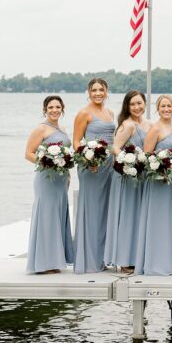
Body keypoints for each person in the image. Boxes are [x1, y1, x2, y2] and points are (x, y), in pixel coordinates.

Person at [24, 95, 75, 274]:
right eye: (51, 107)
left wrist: (67, 172)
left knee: (58, 216)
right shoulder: (41, 129)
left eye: (58, 107)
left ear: (62, 109)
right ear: (45, 109)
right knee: (46, 216)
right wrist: (47, 161)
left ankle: (55, 260)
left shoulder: (62, 128)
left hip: (60, 180)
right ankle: (43, 263)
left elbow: (67, 155)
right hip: (46, 179)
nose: (54, 110)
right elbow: (28, 153)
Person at [134, 95, 172, 275]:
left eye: (169, 106)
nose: (166, 109)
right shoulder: (154, 129)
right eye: (163, 106)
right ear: (157, 109)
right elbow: (146, 157)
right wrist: (160, 168)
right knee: (160, 220)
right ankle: (156, 263)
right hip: (158, 180)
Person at [104, 90, 150, 273]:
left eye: (139, 103)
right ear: (127, 107)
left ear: (145, 103)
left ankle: (136, 256)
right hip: (126, 176)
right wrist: (128, 160)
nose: (137, 107)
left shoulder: (148, 124)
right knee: (127, 217)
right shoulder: (127, 125)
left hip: (141, 177)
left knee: (138, 217)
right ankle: (124, 260)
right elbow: (114, 147)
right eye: (133, 104)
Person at [72, 78, 114, 274]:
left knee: (106, 210)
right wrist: (88, 161)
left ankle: (102, 258)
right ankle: (88, 261)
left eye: (101, 90)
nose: (98, 93)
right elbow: (76, 140)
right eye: (94, 90)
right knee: (92, 209)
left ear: (106, 92)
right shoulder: (84, 113)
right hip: (91, 167)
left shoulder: (110, 113)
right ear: (88, 92)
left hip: (109, 166)